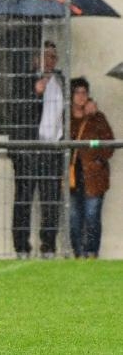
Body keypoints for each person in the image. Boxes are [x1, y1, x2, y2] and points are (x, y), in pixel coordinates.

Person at [10, 41, 65, 259]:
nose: (49, 61)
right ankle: (22, 247)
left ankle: (48, 246)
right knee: (24, 199)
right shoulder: (24, 81)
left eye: (53, 56)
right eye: (45, 56)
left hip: (52, 150)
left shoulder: (61, 82)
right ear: (36, 59)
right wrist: (35, 94)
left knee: (51, 200)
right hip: (28, 149)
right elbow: (16, 113)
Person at [69, 77, 114, 259]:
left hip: (94, 177)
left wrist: (98, 160)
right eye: (77, 93)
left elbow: (109, 145)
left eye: (84, 93)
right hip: (73, 176)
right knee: (74, 219)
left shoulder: (98, 117)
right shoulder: (66, 118)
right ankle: (78, 254)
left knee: (92, 217)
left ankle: (92, 252)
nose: (81, 97)